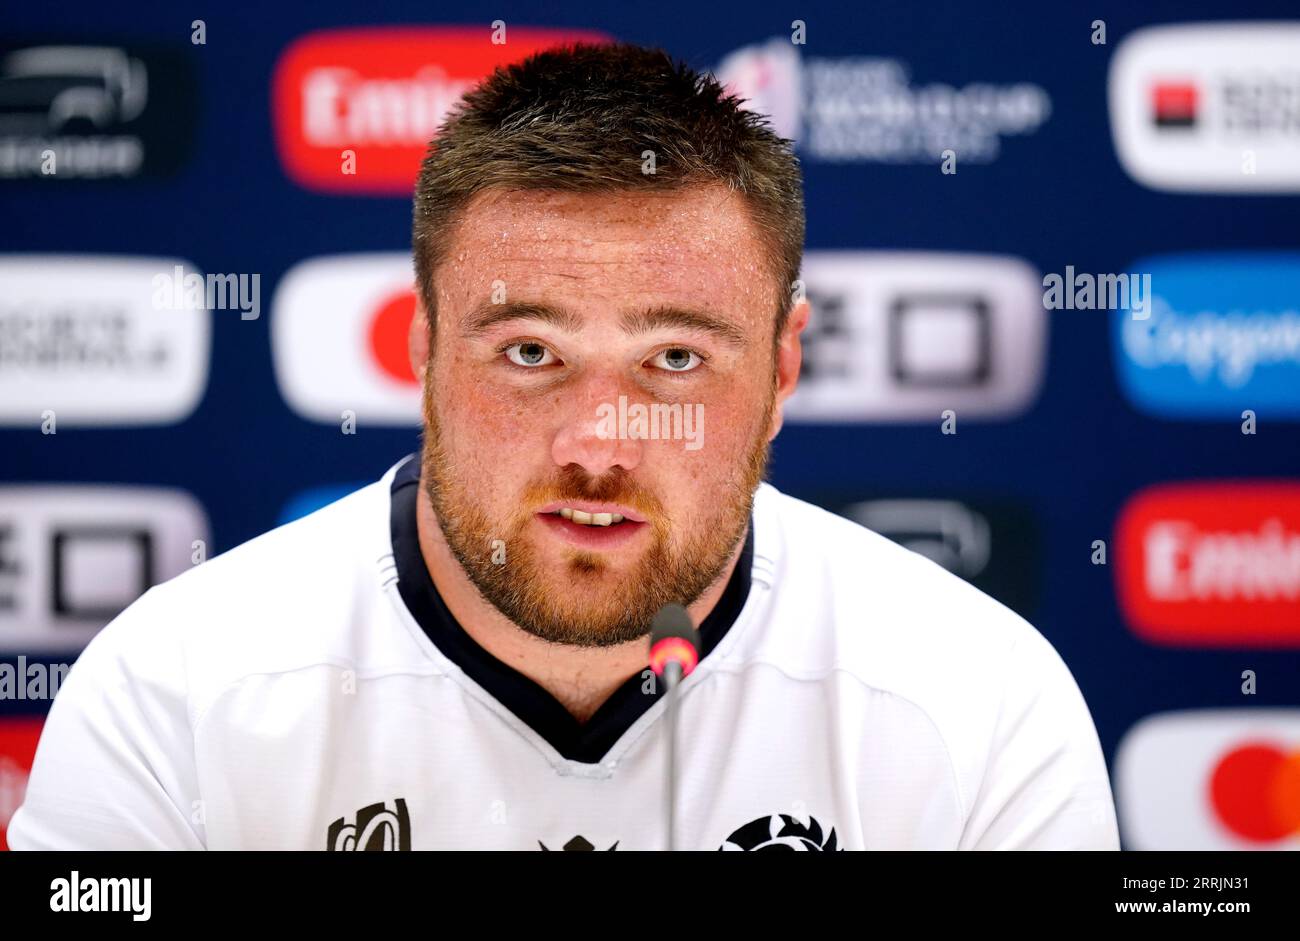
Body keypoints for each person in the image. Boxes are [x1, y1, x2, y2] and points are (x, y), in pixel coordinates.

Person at [9, 41, 1118, 850]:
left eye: (675, 358)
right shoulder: (173, 691)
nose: (599, 443)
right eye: (530, 352)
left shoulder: (976, 701)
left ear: (783, 372)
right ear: (423, 348)